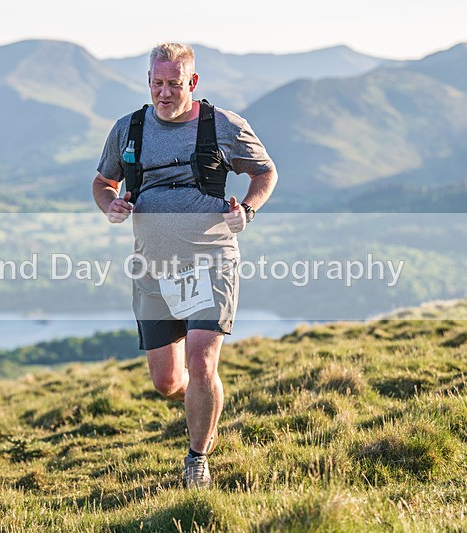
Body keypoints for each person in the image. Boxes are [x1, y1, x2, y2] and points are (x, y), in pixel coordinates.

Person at [92, 43, 277, 488]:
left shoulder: (223, 125)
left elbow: (265, 172)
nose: (164, 92)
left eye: (174, 84)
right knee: (167, 381)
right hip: (153, 270)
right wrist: (110, 204)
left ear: (192, 82)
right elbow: (103, 181)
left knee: (201, 361)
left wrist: (247, 209)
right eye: (157, 83)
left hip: (210, 261)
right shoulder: (128, 129)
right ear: (148, 81)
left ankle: (197, 459)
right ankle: (203, 402)